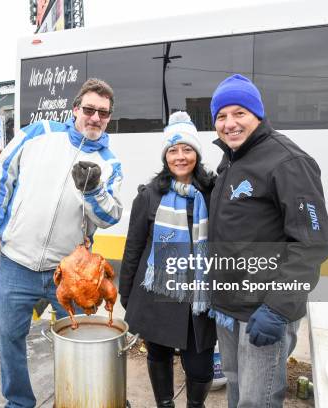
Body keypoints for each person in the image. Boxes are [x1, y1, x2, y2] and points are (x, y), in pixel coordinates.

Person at [0, 78, 123, 408]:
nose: (95, 118)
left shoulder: (109, 162)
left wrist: (93, 191)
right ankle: (18, 402)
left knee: (76, 342)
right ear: (75, 110)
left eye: (103, 113)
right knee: (10, 336)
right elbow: (2, 176)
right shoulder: (39, 133)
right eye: (89, 110)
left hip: (69, 272)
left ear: (109, 117)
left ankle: (74, 401)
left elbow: (109, 216)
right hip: (17, 262)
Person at [207, 74, 328, 407]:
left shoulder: (288, 162)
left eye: (239, 113)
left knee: (257, 400)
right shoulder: (232, 161)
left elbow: (313, 244)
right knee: (236, 391)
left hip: (263, 311)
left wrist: (277, 308)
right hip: (230, 309)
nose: (229, 123)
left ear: (257, 115)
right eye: (221, 116)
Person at [119, 111, 216, 408]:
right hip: (157, 293)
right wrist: (126, 292)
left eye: (187, 149)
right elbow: (133, 246)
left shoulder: (213, 192)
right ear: (165, 157)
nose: (180, 157)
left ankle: (195, 405)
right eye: (173, 150)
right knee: (158, 354)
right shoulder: (150, 195)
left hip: (197, 297)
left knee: (199, 366)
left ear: (197, 153)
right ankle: (165, 404)